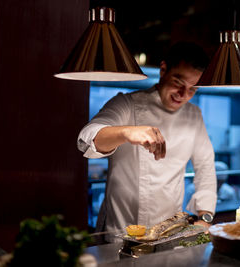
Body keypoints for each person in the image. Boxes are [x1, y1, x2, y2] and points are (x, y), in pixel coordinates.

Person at [77, 42, 217, 240]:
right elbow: (86, 139)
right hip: (121, 230)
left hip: (169, 231)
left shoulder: (194, 116)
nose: (183, 95)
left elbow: (205, 167)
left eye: (193, 89)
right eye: (178, 82)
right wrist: (126, 132)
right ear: (163, 70)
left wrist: (206, 215)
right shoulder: (127, 104)